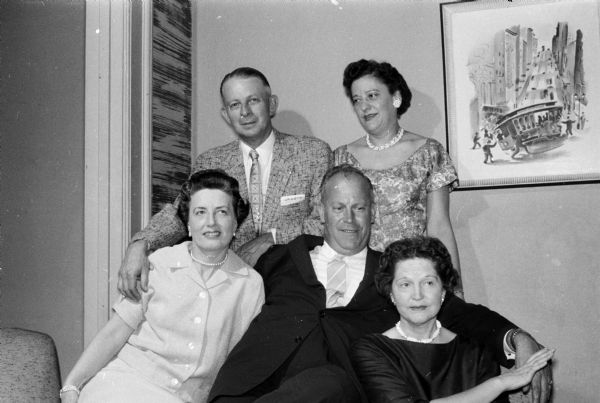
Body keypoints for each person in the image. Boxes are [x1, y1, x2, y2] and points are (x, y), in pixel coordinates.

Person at [207, 165, 552, 403]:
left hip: (336, 389)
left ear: (373, 212)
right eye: (338, 207)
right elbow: (216, 285)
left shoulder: (393, 273)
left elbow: (459, 313)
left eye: (359, 207)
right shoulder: (279, 258)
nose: (349, 219)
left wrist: (518, 338)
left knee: (327, 381)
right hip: (250, 385)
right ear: (321, 211)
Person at [118, 67, 332, 300]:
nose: (245, 113)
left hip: (293, 284)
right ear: (225, 114)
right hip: (225, 286)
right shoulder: (211, 161)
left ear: (271, 105)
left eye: (253, 100)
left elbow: (326, 220)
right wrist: (140, 243)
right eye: (235, 105)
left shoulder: (312, 153)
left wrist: (273, 237)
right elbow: (180, 215)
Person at [60, 170, 265, 403]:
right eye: (200, 213)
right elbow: (114, 333)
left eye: (222, 212)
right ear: (188, 223)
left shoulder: (250, 284)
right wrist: (72, 385)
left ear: (235, 221)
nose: (211, 223)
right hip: (125, 384)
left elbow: (244, 361)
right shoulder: (159, 263)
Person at [351, 236, 554, 403]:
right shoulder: (371, 349)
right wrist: (499, 383)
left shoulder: (476, 352)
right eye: (405, 284)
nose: (417, 295)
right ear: (391, 293)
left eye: (428, 282)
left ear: (444, 290)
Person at [332, 59, 462, 296]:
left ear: (395, 98)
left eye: (372, 95)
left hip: (415, 280)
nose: (364, 107)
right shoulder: (342, 157)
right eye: (357, 100)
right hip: (359, 280)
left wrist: (454, 290)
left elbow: (440, 226)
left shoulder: (429, 152)